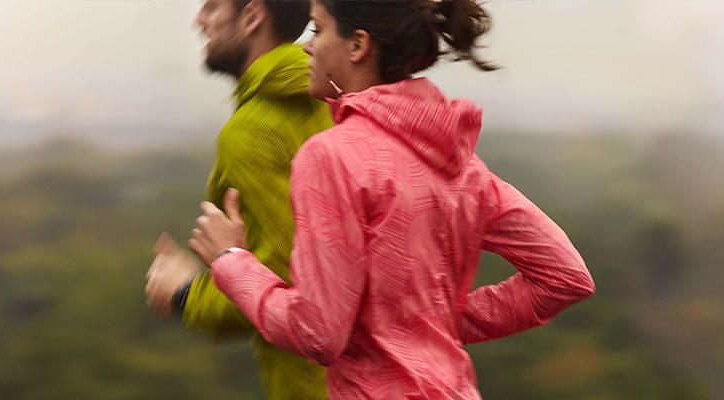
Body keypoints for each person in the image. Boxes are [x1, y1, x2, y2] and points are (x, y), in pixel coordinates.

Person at [187, 0, 597, 398]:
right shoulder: (459, 162)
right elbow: (564, 277)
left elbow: (318, 333)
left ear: (358, 45)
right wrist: (430, 324)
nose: (307, 46)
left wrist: (231, 260)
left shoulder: (331, 155)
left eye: (318, 30)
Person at [143, 1, 330, 398]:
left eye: (212, 7)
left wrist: (185, 291)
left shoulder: (252, 131)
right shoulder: (336, 96)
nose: (199, 20)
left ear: (252, 16)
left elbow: (288, 293)